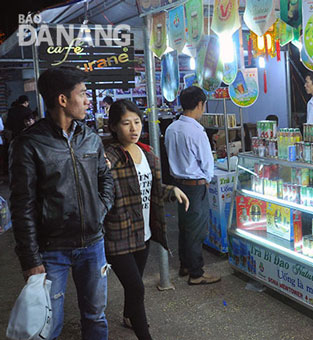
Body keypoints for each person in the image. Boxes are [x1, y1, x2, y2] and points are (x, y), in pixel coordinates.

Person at [9, 66, 114, 340]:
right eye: (82, 94)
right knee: (47, 325)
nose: (88, 99)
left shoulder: (90, 138)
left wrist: (99, 211)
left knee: (96, 316)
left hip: (93, 245)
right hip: (51, 250)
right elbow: (22, 207)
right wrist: (30, 260)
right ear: (62, 99)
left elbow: (106, 178)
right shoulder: (30, 144)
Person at [104, 99, 189, 340]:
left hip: (144, 234)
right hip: (118, 234)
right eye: (126, 123)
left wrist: (171, 191)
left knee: (135, 284)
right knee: (136, 287)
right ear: (113, 127)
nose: (133, 129)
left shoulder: (147, 154)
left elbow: (151, 188)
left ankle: (128, 316)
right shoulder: (109, 158)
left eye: (137, 122)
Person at [164, 86, 221, 285]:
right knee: (197, 229)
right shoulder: (196, 131)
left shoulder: (172, 128)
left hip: (178, 184)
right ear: (199, 104)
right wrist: (207, 180)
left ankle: (185, 265)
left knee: (185, 226)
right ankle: (196, 273)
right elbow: (207, 163)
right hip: (195, 185)